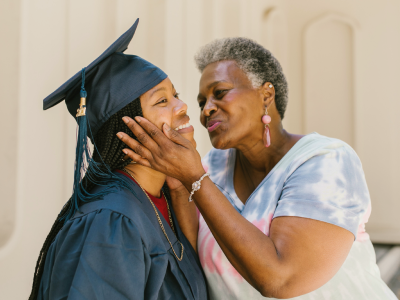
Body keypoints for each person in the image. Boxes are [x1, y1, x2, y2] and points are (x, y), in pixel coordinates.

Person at [117, 37, 397, 299]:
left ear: (266, 94)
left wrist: (193, 177)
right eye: (203, 102)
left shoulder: (325, 161)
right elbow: (194, 259)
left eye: (220, 93)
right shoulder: (210, 168)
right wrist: (179, 183)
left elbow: (280, 279)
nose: (206, 109)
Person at [29, 19, 208, 300]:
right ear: (126, 128)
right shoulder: (110, 222)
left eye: (175, 94)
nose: (182, 106)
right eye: (162, 101)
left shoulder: (162, 198)